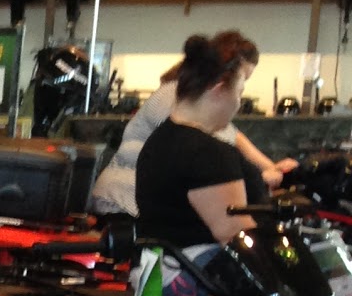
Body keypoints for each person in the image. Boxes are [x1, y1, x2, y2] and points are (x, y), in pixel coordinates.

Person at [132, 32, 280, 292]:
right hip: (194, 283)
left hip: (155, 276)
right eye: (240, 92)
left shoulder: (159, 141)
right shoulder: (208, 153)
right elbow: (236, 236)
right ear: (218, 88)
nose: (238, 103)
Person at [92, 30, 294, 216]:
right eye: (240, 82)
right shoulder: (173, 99)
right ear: (220, 79)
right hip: (121, 198)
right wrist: (261, 176)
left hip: (148, 201)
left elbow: (232, 137)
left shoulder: (189, 103)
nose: (238, 98)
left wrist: (271, 168)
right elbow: (210, 149)